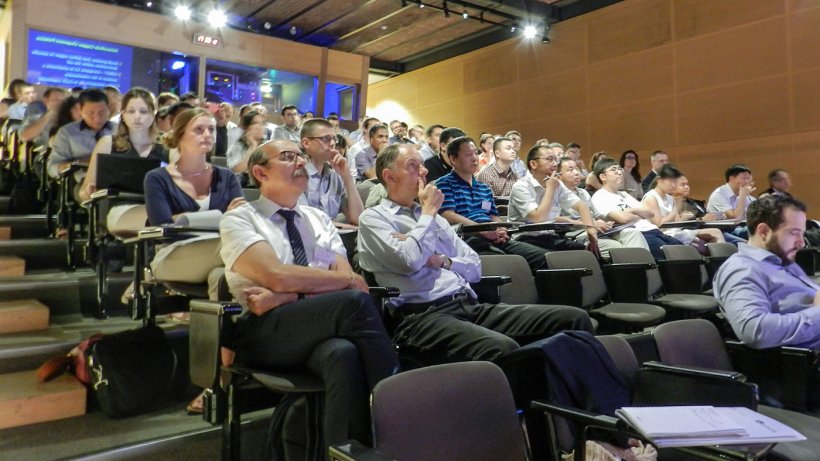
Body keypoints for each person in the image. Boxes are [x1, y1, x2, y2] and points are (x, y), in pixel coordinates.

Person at [219, 138, 399, 448]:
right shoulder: (240, 219)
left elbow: (353, 280)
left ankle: (345, 452)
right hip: (262, 332)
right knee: (354, 305)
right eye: (289, 156)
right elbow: (277, 276)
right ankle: (400, 420)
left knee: (342, 353)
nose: (301, 161)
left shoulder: (318, 219)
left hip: (315, 326)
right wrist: (289, 290)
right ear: (260, 173)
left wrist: (291, 295)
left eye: (301, 155)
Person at [357, 142, 593, 367]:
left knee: (574, 318)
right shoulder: (375, 218)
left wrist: (442, 260)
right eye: (413, 165)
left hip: (468, 305)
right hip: (422, 318)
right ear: (389, 176)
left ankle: (585, 404)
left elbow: (474, 267)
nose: (424, 170)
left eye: (422, 163)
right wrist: (428, 214)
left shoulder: (435, 218)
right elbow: (410, 261)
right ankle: (530, 408)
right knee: (502, 348)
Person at [713, 194, 819, 350]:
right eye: (794, 233)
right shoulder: (742, 269)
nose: (802, 243)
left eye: (802, 234)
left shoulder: (783, 260)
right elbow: (755, 331)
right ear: (763, 231)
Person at [435, 136, 552, 271]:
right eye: (468, 154)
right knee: (509, 264)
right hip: (467, 239)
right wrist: (482, 230)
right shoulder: (444, 184)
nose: (474, 158)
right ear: (453, 159)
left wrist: (500, 230)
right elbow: (447, 215)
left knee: (542, 258)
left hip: (493, 237)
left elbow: (493, 215)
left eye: (475, 153)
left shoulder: (483, 188)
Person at [144, 107, 243, 226]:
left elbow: (239, 220)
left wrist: (181, 219)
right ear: (180, 135)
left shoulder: (227, 177)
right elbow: (162, 226)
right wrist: (224, 217)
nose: (207, 134)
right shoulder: (157, 178)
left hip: (222, 243)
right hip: (176, 244)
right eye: (198, 129)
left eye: (211, 129)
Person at [80, 87, 169, 202]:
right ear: (123, 114)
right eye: (131, 111)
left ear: (153, 113)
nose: (137, 117)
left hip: (156, 206)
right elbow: (83, 192)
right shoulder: (107, 143)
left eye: (143, 111)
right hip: (118, 207)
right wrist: (88, 192)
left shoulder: (167, 145)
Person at [507, 144, 594, 254]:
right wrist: (550, 188)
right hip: (524, 239)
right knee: (552, 258)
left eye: (555, 159)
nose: (555, 163)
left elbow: (582, 206)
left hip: (549, 237)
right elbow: (538, 218)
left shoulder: (557, 184)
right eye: (549, 159)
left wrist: (592, 236)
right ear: (533, 164)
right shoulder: (521, 186)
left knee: (586, 252)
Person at [556, 157, 651, 257]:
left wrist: (604, 222)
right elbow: (555, 219)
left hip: (601, 231)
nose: (576, 172)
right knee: (618, 249)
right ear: (559, 176)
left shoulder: (583, 193)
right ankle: (638, 269)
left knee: (632, 233)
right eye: (571, 170)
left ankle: (644, 269)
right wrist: (591, 223)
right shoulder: (556, 194)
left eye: (576, 168)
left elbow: (597, 214)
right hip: (578, 234)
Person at [590, 158, 681, 261]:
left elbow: (650, 213)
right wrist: (639, 213)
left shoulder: (624, 194)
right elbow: (622, 219)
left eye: (620, 169)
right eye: (614, 170)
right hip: (640, 234)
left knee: (685, 252)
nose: (619, 172)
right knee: (672, 259)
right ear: (603, 176)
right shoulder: (600, 196)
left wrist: (630, 211)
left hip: (653, 231)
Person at [641, 164, 724, 253]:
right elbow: (659, 225)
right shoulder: (651, 197)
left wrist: (686, 217)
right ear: (659, 180)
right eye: (670, 181)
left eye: (675, 182)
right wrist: (675, 208)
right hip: (663, 236)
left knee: (715, 232)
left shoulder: (669, 198)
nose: (673, 185)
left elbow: (677, 222)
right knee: (703, 247)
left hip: (677, 232)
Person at [298, 118, 364, 225]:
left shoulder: (335, 177)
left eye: (334, 138)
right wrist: (336, 226)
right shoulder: (297, 176)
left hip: (333, 237)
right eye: (325, 138)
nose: (332, 143)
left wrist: (347, 177)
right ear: (306, 143)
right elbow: (302, 220)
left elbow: (357, 218)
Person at [225, 110, 265, 177]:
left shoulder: (268, 146)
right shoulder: (236, 147)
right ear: (246, 128)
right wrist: (252, 146)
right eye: (255, 123)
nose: (259, 127)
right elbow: (236, 170)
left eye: (262, 123)